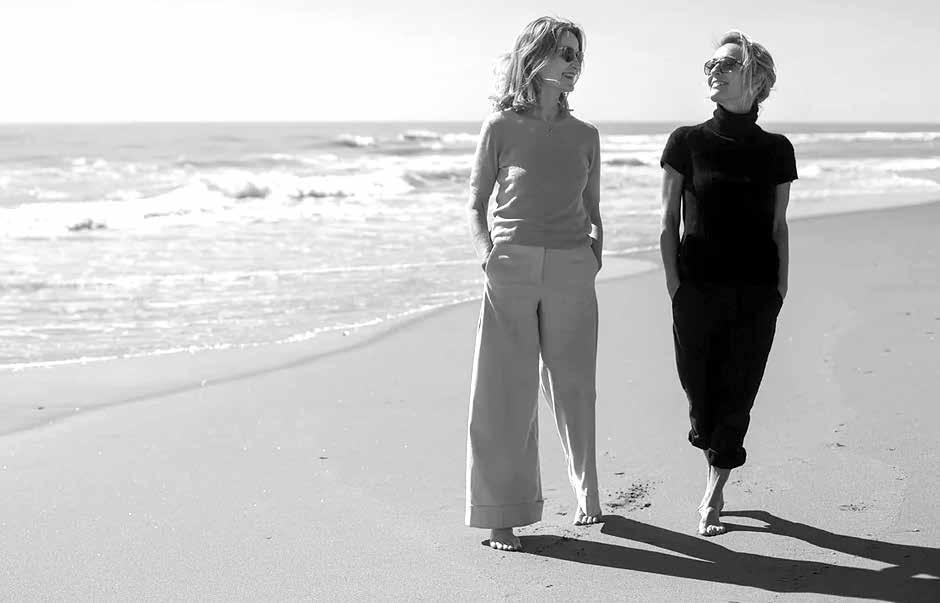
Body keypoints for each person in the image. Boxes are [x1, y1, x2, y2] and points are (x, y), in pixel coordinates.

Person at [465, 16, 603, 552]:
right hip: (512, 267)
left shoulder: (586, 135)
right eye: (564, 53)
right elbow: (476, 202)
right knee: (505, 391)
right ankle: (501, 516)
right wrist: (488, 256)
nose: (573, 64)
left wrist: (593, 254)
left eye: (577, 55)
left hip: (572, 267)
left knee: (574, 385)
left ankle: (587, 492)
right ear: (535, 56)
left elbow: (593, 208)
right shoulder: (500, 126)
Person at [659, 30, 797, 537]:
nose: (714, 70)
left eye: (727, 64)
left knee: (738, 392)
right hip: (695, 290)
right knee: (701, 397)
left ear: (755, 79)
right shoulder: (686, 142)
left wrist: (780, 288)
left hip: (756, 293)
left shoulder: (777, 150)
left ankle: (714, 491)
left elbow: (778, 225)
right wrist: (675, 287)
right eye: (711, 64)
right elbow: (667, 222)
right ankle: (714, 457)